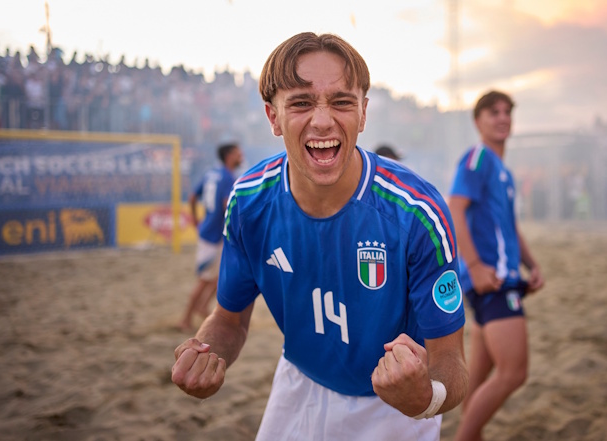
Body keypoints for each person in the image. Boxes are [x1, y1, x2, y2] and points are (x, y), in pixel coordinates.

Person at [171, 32, 468, 440]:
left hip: (395, 406)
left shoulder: (417, 212)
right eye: (301, 103)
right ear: (273, 117)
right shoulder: (248, 202)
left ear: (363, 113)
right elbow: (228, 320)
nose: (323, 120)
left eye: (342, 102)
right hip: (298, 386)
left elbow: (451, 359)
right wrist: (205, 355)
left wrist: (425, 399)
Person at [448, 91, 545, 441]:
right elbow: (455, 209)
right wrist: (474, 266)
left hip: (502, 278)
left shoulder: (503, 170)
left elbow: (509, 227)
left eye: (507, 112)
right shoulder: (478, 158)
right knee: (514, 373)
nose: (502, 118)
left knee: (476, 386)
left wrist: (531, 265)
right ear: (478, 121)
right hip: (490, 280)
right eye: (493, 112)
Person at [178, 142, 243, 332]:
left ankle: (202, 307)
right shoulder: (228, 177)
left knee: (220, 276)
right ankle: (185, 319)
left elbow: (192, 197)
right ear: (229, 156)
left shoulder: (211, 173)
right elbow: (226, 206)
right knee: (205, 280)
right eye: (238, 153)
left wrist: (195, 220)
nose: (241, 156)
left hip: (209, 232)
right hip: (215, 236)